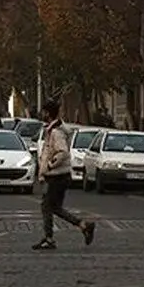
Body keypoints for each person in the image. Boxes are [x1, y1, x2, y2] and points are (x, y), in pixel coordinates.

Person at [33, 99, 96, 250]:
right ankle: (83, 225)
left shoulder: (56, 132)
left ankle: (49, 238)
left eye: (44, 112)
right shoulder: (53, 130)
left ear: (48, 113)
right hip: (59, 175)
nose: (42, 114)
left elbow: (62, 152)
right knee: (55, 207)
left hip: (56, 176)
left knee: (47, 206)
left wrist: (49, 166)